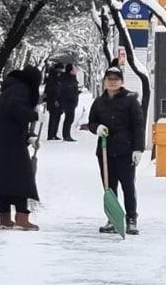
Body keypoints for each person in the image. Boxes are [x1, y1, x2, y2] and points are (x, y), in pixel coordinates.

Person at [0, 66, 43, 230]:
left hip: (1, 140)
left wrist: (28, 136)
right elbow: (16, 109)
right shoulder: (21, 89)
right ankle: (21, 217)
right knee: (21, 179)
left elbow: (10, 117)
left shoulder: (13, 88)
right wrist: (34, 115)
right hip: (9, 142)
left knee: (2, 180)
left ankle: (5, 218)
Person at [86, 65, 145, 235]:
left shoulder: (130, 100)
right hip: (105, 151)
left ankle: (131, 219)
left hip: (126, 151)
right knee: (109, 187)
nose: (112, 83)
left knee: (128, 186)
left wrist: (138, 149)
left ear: (121, 82)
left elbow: (138, 126)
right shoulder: (99, 102)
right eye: (109, 80)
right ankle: (112, 218)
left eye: (116, 80)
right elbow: (91, 122)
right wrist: (97, 128)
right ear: (104, 81)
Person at [58, 63, 81, 142]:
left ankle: (67, 135)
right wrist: (73, 95)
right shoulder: (67, 78)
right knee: (69, 119)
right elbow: (67, 90)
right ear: (71, 71)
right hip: (68, 102)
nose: (76, 70)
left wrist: (77, 92)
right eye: (74, 68)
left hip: (72, 101)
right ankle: (66, 135)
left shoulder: (72, 78)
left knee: (70, 119)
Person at [43, 64, 62, 141]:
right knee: (53, 118)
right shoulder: (52, 79)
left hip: (58, 100)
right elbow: (50, 90)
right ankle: (51, 135)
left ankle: (54, 134)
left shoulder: (58, 78)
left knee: (57, 118)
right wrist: (54, 100)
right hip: (53, 101)